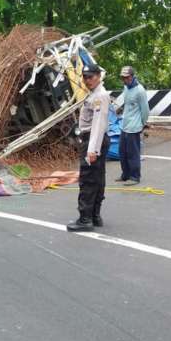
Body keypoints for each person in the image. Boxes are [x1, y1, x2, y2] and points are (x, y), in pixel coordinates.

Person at [67, 63, 111, 232]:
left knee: (88, 180)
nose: (87, 80)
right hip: (95, 140)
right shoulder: (94, 94)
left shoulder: (99, 96)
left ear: (98, 76)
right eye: (85, 77)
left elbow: (98, 125)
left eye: (90, 77)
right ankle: (94, 216)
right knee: (97, 178)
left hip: (93, 140)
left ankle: (85, 219)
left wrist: (92, 150)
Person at [115, 65, 149, 186]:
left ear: (132, 76)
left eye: (127, 77)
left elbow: (145, 110)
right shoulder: (126, 88)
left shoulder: (140, 91)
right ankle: (125, 174)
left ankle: (135, 177)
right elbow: (127, 104)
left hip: (134, 127)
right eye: (123, 78)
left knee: (133, 154)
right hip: (124, 125)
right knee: (122, 152)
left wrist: (142, 124)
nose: (125, 80)